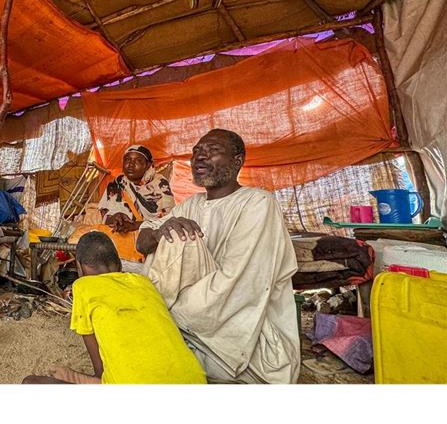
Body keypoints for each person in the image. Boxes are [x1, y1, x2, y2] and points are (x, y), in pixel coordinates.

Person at [136, 129, 301, 384]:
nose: (199, 158)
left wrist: (164, 316)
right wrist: (159, 234)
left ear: (237, 161)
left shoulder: (257, 203)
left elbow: (238, 285)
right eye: (196, 152)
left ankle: (156, 322)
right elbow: (142, 239)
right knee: (170, 232)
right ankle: (157, 323)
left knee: (180, 236)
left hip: (237, 336)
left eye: (211, 151)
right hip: (188, 317)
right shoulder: (191, 204)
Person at [22, 231, 207, 384]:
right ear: (119, 263)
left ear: (79, 268)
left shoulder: (83, 287)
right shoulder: (144, 282)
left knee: (30, 383)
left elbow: (94, 350)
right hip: (195, 380)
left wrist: (98, 377)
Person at [69, 145, 175, 270]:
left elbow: (167, 221)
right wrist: (115, 218)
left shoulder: (160, 185)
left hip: (149, 248)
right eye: (127, 160)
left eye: (138, 161)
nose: (131, 164)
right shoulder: (116, 184)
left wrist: (135, 225)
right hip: (119, 243)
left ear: (148, 165)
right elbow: (104, 215)